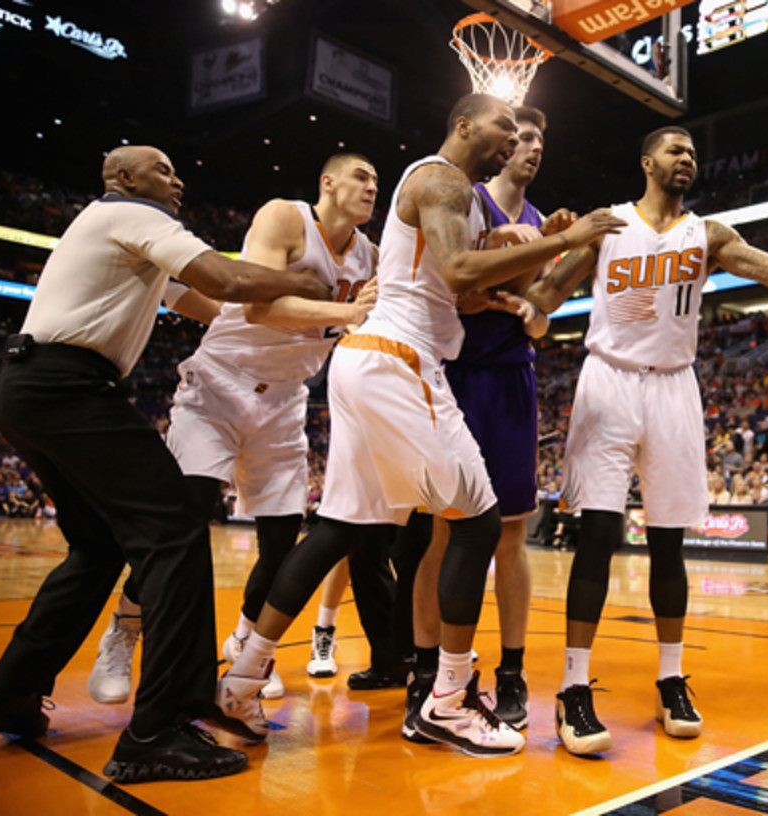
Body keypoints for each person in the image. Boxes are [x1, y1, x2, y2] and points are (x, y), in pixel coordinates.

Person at [215, 94, 625, 757]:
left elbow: (458, 280)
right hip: (399, 362)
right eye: (502, 126)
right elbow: (461, 269)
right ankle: (448, 701)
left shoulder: (446, 192)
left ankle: (241, 676)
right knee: (481, 521)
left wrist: (523, 246)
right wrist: (567, 240)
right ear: (463, 124)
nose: (511, 138)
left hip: (366, 360)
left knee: (339, 530)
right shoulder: (444, 177)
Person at [0, 145, 334, 782]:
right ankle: (158, 730)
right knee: (177, 525)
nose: (177, 181)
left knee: (97, 548)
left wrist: (299, 322)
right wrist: (300, 282)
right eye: (164, 170)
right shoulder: (134, 215)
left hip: (30, 387)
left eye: (177, 172)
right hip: (70, 386)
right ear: (123, 178)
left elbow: (210, 306)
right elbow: (228, 281)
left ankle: (12, 690)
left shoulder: (120, 231)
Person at [526, 124, 768, 757]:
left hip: (674, 386)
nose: (687, 160)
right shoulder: (608, 225)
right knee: (597, 537)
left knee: (669, 542)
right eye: (675, 151)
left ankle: (671, 677)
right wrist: (530, 260)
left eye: (694, 153)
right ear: (647, 161)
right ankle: (572, 686)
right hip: (608, 381)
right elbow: (543, 296)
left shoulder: (710, 233)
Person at [86, 153, 382, 706]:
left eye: (376, 182)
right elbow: (257, 310)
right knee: (185, 519)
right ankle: (125, 626)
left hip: (285, 401)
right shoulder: (285, 217)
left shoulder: (371, 255)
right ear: (328, 182)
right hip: (220, 386)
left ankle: (245, 644)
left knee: (280, 547)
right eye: (361, 177)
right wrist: (347, 315)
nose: (371, 188)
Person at [412, 106, 560, 731]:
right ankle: (430, 668)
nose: (531, 149)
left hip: (511, 379)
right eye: (523, 137)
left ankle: (513, 671)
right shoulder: (463, 197)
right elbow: (463, 294)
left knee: (511, 535)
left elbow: (543, 318)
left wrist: (528, 299)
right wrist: (513, 297)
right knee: (444, 533)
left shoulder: (538, 219)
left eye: (539, 141)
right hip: (454, 374)